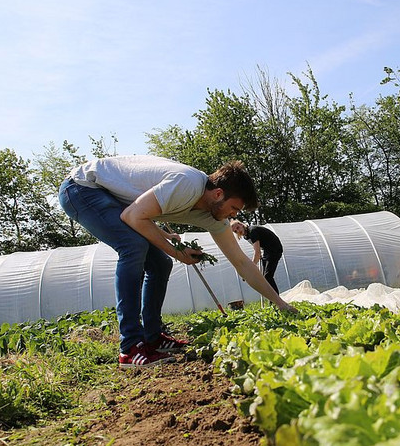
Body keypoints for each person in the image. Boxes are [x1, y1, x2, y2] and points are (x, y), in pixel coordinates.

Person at [58, 155, 298, 369]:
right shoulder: (187, 184)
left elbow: (242, 263)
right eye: (233, 208)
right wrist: (177, 252)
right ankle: (130, 347)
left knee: (160, 264)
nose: (234, 216)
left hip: (116, 200)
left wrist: (280, 303)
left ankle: (153, 337)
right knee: (133, 247)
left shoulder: (212, 216)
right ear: (218, 194)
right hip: (83, 188)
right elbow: (132, 216)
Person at [230, 219, 284, 293]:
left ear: (241, 224)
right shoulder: (246, 236)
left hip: (274, 249)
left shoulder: (252, 231)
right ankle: (273, 300)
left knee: (268, 276)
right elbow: (257, 249)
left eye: (238, 228)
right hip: (266, 250)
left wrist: (251, 268)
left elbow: (257, 252)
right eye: (235, 231)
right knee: (265, 278)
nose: (238, 231)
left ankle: (276, 301)